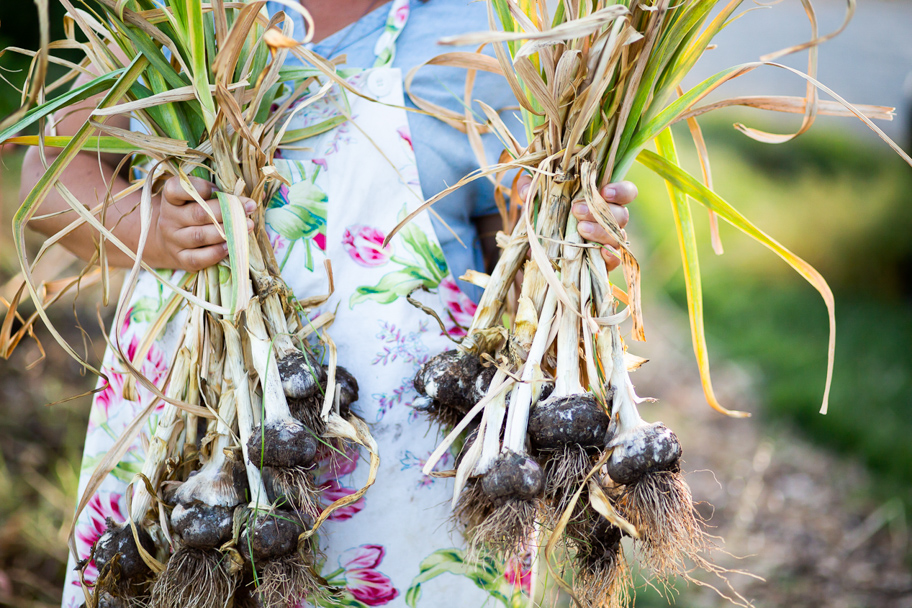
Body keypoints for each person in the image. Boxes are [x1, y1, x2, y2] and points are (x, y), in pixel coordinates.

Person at [20, 1, 637, 606]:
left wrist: (566, 236)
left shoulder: (489, 29)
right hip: (194, 417)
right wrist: (151, 228)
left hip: (415, 448)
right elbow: (50, 170)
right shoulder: (174, 12)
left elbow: (505, 228)